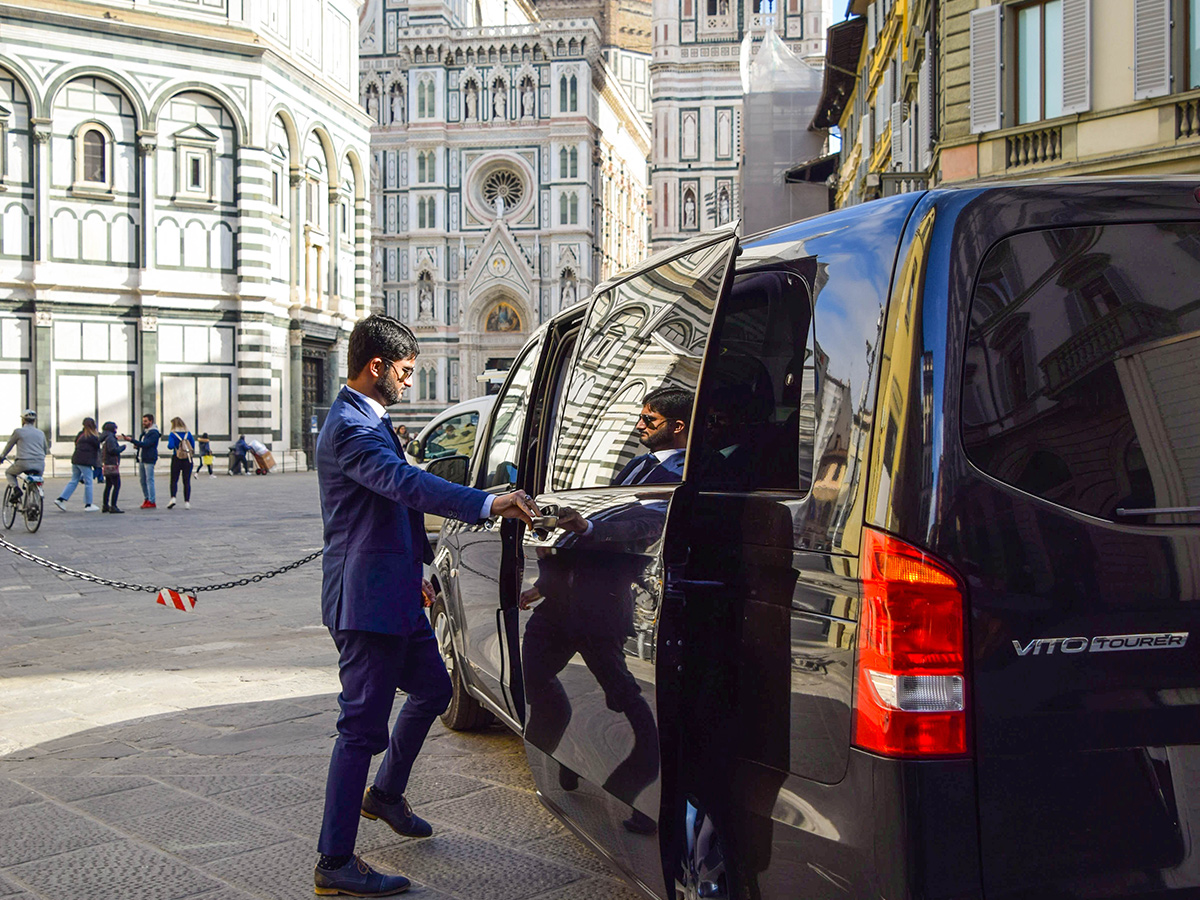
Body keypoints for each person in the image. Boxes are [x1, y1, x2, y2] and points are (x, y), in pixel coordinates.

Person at [312, 313, 538, 898]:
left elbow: (387, 509)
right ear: (377, 367)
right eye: (406, 371)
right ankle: (334, 861)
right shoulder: (351, 429)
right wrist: (487, 502)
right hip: (365, 602)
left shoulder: (370, 419)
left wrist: (416, 570)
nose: (410, 381)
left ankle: (384, 796)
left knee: (435, 690)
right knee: (360, 728)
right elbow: (404, 486)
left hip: (393, 591)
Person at [610, 386, 693, 487]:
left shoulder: (686, 473)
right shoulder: (637, 461)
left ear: (677, 427)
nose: (639, 426)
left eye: (648, 419)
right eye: (640, 418)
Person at [55, 417, 102, 512]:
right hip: (85, 462)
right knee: (89, 481)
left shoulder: (80, 435)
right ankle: (88, 504)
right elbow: (97, 447)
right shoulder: (93, 437)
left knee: (74, 480)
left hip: (76, 459)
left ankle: (61, 499)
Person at [1, 409, 46, 506]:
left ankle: (16, 490)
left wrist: (2, 456)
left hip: (23, 462)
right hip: (40, 463)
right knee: (35, 480)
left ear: (23, 420)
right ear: (34, 421)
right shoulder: (41, 433)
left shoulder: (18, 432)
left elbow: (9, 446)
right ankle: (34, 503)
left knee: (9, 473)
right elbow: (45, 449)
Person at [122, 414, 161, 509]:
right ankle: (146, 498)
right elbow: (143, 444)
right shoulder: (145, 432)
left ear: (151, 421)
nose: (143, 423)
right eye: (143, 421)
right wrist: (138, 445)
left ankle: (152, 500)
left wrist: (132, 440)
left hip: (149, 458)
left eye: (145, 421)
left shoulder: (154, 433)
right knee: (142, 480)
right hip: (142, 457)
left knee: (149, 479)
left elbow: (147, 444)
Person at [166, 417, 196, 509]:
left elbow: (170, 446)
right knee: (186, 481)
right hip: (187, 459)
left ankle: (173, 498)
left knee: (174, 480)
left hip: (177, 458)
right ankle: (187, 502)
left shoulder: (173, 434)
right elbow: (193, 446)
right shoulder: (188, 434)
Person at [99, 422, 126, 513]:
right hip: (112, 465)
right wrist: (122, 447)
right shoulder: (110, 438)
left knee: (108, 485)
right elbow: (113, 450)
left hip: (106, 464)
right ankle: (113, 506)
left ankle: (105, 505)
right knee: (117, 485)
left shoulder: (106, 437)